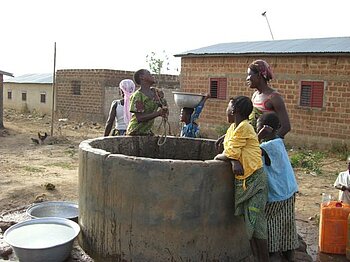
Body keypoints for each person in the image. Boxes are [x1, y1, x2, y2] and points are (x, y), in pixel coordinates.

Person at [214, 96, 269, 262]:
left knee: (257, 224)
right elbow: (231, 148)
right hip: (246, 182)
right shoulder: (234, 128)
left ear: (234, 111)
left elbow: (230, 151)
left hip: (255, 181)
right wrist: (232, 158)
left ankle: (264, 259)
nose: (226, 110)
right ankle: (257, 258)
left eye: (228, 107)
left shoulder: (244, 127)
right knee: (249, 225)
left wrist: (227, 158)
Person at [257, 112, 299, 262]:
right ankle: (289, 254)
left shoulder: (266, 146)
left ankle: (273, 253)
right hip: (289, 190)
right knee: (287, 224)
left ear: (265, 130)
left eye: (258, 128)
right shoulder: (278, 141)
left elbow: (249, 149)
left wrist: (259, 136)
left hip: (277, 194)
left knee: (270, 223)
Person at [247, 59, 291, 140]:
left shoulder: (274, 98)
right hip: (255, 143)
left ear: (259, 76)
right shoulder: (255, 95)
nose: (247, 78)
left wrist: (269, 143)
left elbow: (286, 127)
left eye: (249, 75)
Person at [126, 69, 168, 136]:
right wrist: (158, 113)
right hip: (135, 132)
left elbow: (164, 107)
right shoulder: (137, 96)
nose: (152, 76)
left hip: (146, 132)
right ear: (141, 77)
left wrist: (163, 102)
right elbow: (140, 118)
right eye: (149, 74)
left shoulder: (155, 93)